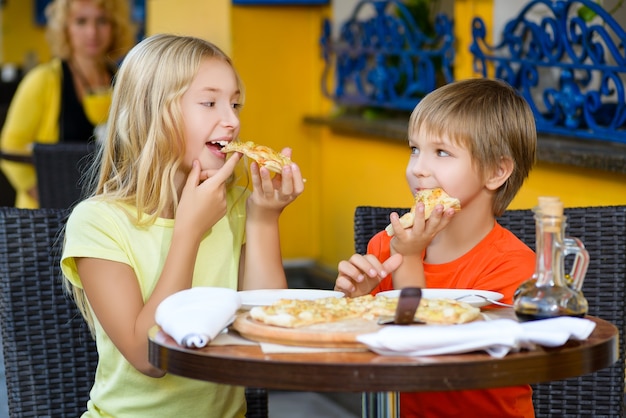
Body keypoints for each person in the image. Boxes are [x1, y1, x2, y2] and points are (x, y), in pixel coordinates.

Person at [60, 33, 305, 417]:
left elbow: (266, 336)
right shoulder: (98, 223)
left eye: (235, 103)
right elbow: (149, 357)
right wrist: (187, 233)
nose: (232, 120)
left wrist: (264, 217)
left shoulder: (238, 205)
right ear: (150, 113)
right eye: (209, 103)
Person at [334, 78, 537, 417]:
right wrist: (354, 306)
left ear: (497, 171)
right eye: (414, 149)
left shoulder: (515, 267)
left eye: (441, 152)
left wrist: (410, 258)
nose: (418, 169)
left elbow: (429, 360)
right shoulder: (386, 246)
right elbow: (364, 364)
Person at [0, 0, 135, 208]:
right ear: (65, 29)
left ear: (115, 26)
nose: (92, 32)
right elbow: (10, 147)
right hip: (47, 219)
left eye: (102, 21)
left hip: (107, 214)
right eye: (81, 21)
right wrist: (42, 192)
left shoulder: (125, 82)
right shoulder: (42, 81)